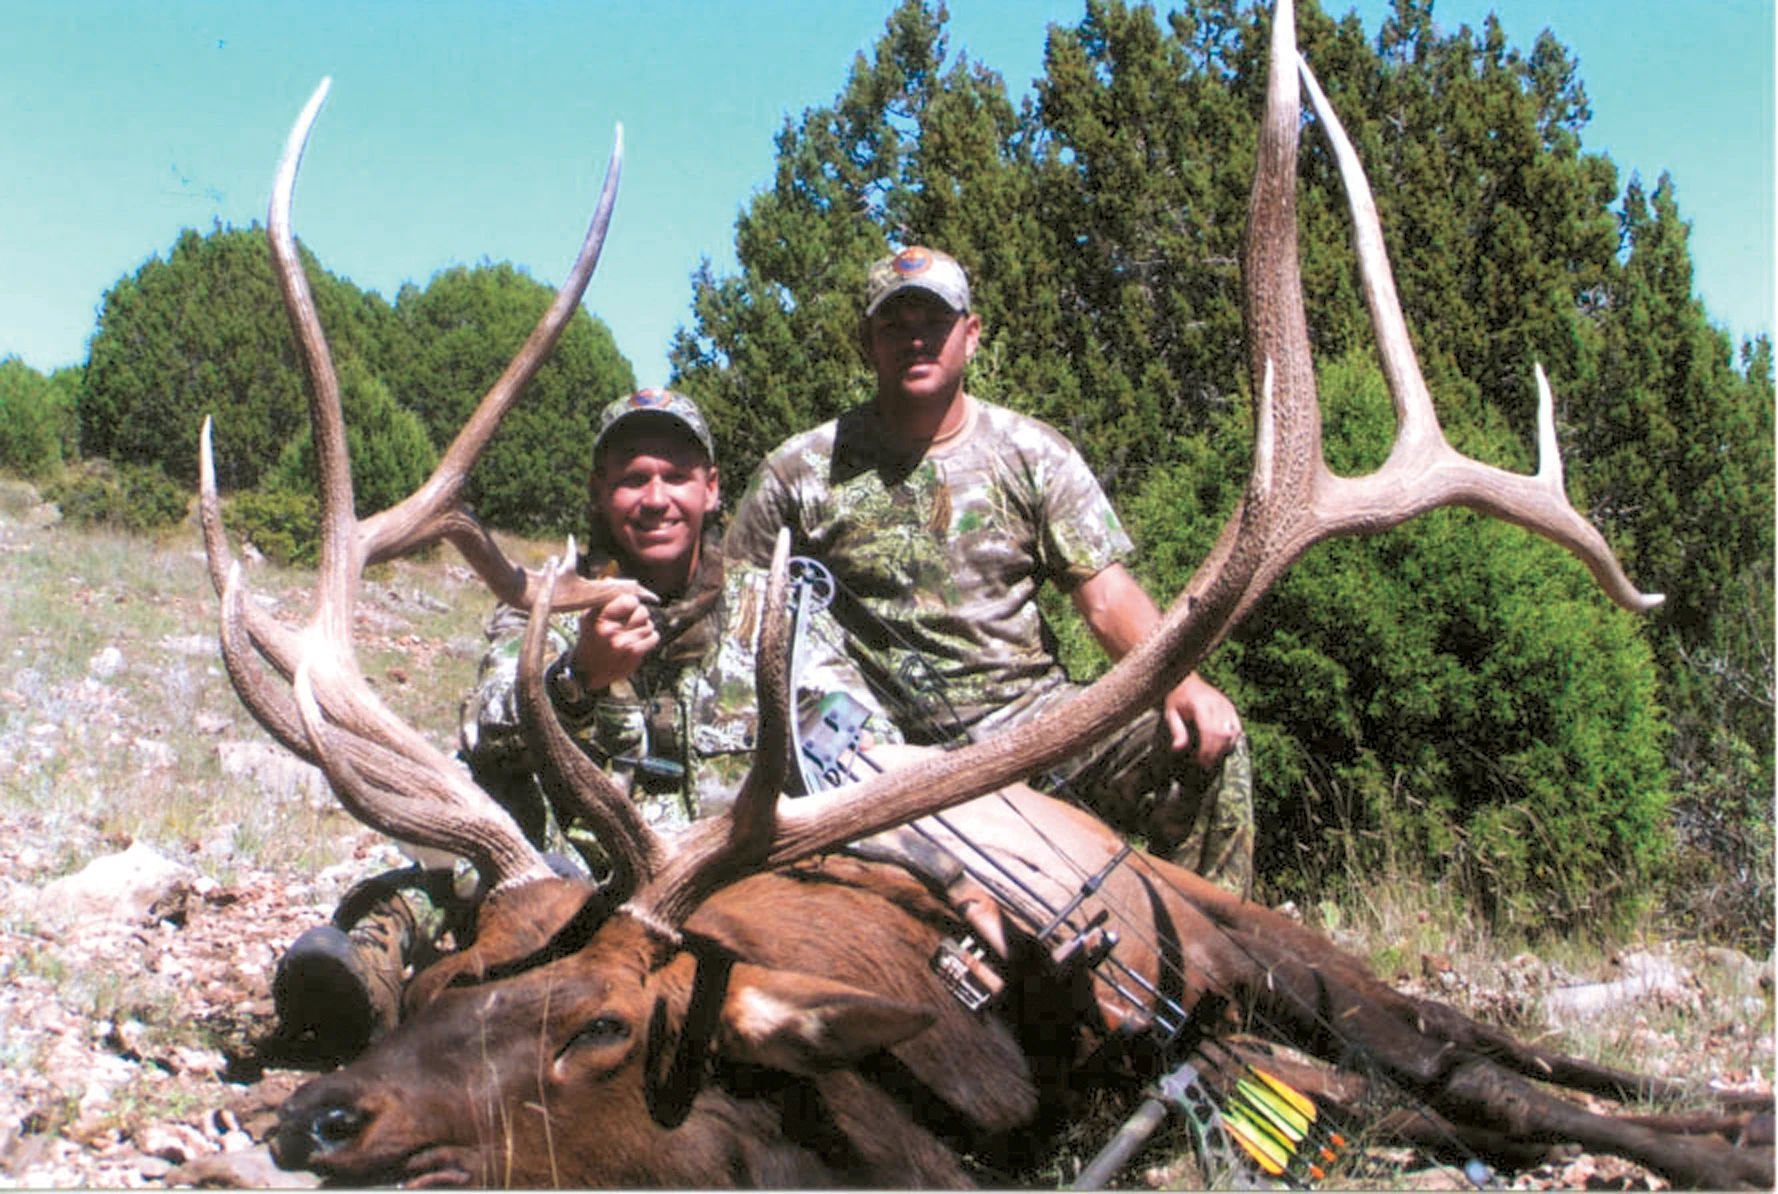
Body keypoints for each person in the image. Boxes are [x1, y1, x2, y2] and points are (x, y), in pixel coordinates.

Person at [275, 388, 838, 1057]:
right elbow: (487, 733)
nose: (655, 498)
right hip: (559, 886)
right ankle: (370, 969)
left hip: (726, 892)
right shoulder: (532, 600)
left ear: (712, 490)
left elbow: (859, 744)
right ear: (600, 493)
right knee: (471, 820)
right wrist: (576, 678)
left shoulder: (780, 607)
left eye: (676, 476)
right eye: (632, 479)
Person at [723, 246, 1255, 896]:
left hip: (1040, 738)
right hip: (882, 767)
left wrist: (1182, 683)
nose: (916, 338)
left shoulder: (1032, 453)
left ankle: (1218, 971)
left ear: (970, 336)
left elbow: (1106, 598)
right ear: (867, 343)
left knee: (1207, 748)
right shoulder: (800, 472)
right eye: (894, 324)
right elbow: (735, 616)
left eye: (935, 322)